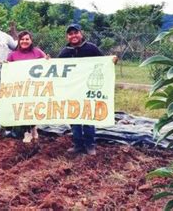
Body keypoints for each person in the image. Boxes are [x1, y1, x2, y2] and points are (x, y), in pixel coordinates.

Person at [58, 23, 117, 155]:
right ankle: (78, 144)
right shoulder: (64, 52)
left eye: (75, 33)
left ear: (81, 34)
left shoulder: (91, 48)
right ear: (68, 36)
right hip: (72, 91)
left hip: (88, 90)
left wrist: (112, 61)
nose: (73, 36)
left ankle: (90, 145)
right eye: (70, 34)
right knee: (74, 118)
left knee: (88, 117)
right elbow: (57, 70)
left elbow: (104, 63)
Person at [7, 30, 47, 143]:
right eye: (22, 39)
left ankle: (34, 128)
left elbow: (47, 63)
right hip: (20, 87)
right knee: (23, 109)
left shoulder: (37, 52)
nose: (24, 41)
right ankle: (27, 132)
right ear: (19, 41)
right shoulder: (12, 55)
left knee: (33, 108)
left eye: (27, 39)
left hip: (35, 86)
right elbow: (7, 70)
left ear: (31, 40)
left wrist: (48, 60)